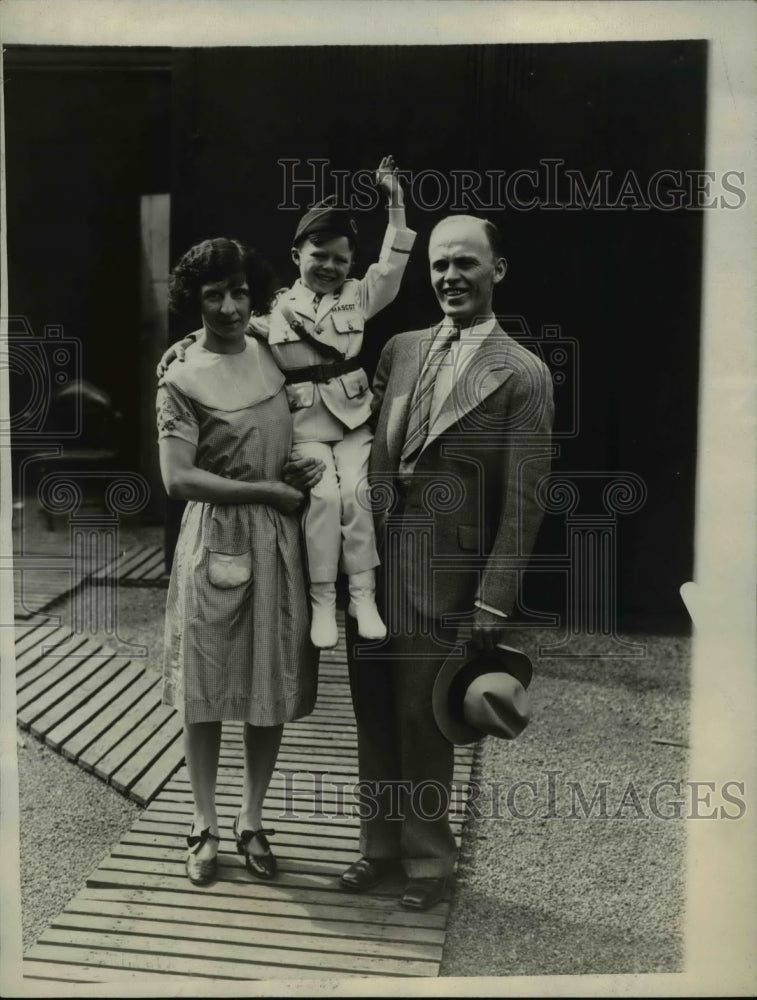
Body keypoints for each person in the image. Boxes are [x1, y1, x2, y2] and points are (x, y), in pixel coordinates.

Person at [339, 214, 555, 911]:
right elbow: (353, 439)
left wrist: (494, 598)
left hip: (448, 577)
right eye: (439, 265)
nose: (449, 277)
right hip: (373, 567)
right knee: (373, 707)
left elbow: (525, 498)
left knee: (424, 715)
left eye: (465, 263)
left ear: (498, 270)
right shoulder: (400, 349)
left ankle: (429, 861)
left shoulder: (523, 373)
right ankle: (377, 849)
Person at [158, 155, 416, 651]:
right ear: (296, 254)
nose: (330, 267)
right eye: (319, 254)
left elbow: (393, 263)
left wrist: (395, 203)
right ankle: (322, 600)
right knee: (323, 499)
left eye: (341, 259)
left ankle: (362, 596)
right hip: (306, 426)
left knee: (358, 493)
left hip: (353, 421)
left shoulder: (358, 297)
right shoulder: (275, 308)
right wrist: (185, 343)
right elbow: (229, 328)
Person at [156, 237, 323, 886]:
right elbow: (177, 478)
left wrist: (300, 466)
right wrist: (267, 491)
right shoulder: (180, 377)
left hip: (276, 542)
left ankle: (251, 819)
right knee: (203, 692)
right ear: (192, 302)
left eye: (239, 292)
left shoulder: (272, 349)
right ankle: (203, 822)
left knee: (267, 687)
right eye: (212, 296)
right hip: (216, 539)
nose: (228, 307)